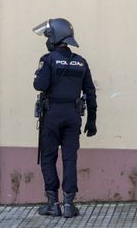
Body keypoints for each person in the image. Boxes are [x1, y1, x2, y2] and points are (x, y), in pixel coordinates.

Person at [32, 18, 97, 218]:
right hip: (72, 116)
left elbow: (40, 86)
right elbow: (90, 92)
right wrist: (92, 121)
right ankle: (69, 204)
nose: (46, 40)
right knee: (70, 160)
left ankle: (53, 204)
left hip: (52, 115)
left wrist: (39, 73)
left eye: (48, 36)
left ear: (55, 37)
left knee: (48, 158)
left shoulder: (49, 59)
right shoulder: (81, 62)